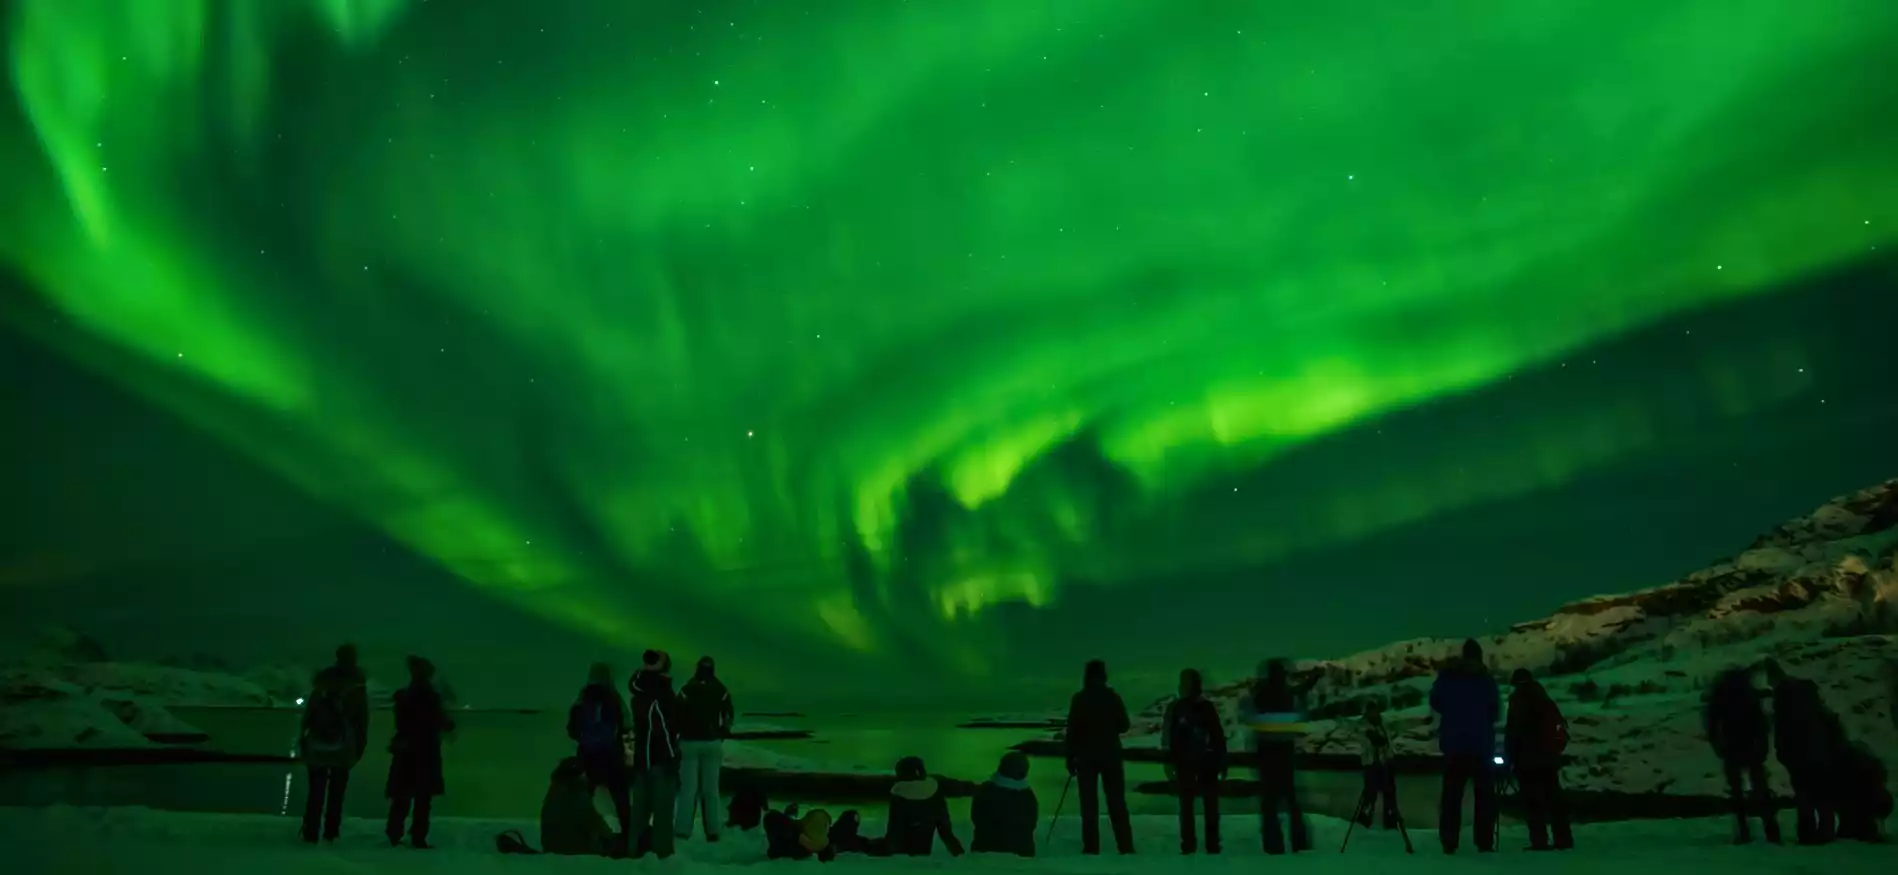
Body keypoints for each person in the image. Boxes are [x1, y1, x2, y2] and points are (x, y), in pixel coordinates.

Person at [1429, 638, 1500, 854]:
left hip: (1454, 745)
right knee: (1484, 796)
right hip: (1481, 746)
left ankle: (1449, 840)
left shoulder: (1447, 677)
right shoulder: (1486, 680)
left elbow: (1435, 701)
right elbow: (1495, 711)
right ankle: (1484, 841)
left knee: (1451, 796)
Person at [298, 643, 370, 843]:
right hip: (344, 746)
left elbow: (308, 716)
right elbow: (362, 720)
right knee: (337, 792)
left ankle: (310, 830)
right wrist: (360, 746)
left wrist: (303, 741)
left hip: (317, 746)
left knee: (315, 791)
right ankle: (331, 831)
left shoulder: (322, 684)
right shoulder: (356, 687)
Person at [1236, 658, 1310, 855]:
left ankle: (1273, 845)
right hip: (1286, 751)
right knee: (1291, 799)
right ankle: (1300, 843)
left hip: (1267, 752)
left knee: (1269, 801)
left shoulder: (1259, 695)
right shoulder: (1288, 695)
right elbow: (1301, 718)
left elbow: (1246, 715)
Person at [1064, 659, 1135, 855]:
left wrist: (1070, 758)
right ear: (1104, 676)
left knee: (1088, 805)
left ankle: (1091, 848)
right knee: (1117, 803)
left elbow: (1072, 732)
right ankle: (1125, 846)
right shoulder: (1112, 698)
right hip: (1111, 755)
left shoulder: (1079, 699)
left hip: (1085, 757)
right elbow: (1124, 725)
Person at [1765, 659, 1837, 844]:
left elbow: (1783, 731)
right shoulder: (1807, 695)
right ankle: (1826, 832)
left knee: (1804, 795)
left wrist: (1782, 752)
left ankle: (1807, 835)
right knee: (1822, 792)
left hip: (1798, 755)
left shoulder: (1783, 700)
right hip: (1820, 750)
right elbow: (1828, 721)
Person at [1705, 667, 1780, 844]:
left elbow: (1712, 723)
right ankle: (1770, 827)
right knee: (1760, 786)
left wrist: (1718, 744)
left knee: (1737, 792)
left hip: (1731, 745)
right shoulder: (1748, 693)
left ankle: (1743, 829)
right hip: (1750, 744)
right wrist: (1762, 746)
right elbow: (1761, 722)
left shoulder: (1721, 695)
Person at [385, 655, 454, 848]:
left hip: (407, 751)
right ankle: (417, 836)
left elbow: (403, 723)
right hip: (425, 752)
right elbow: (441, 721)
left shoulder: (405, 697)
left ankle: (394, 832)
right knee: (422, 798)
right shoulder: (430, 697)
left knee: (402, 796)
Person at [1505, 668, 1573, 851]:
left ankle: (1539, 841)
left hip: (1527, 758)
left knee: (1533, 801)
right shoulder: (1545, 698)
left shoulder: (1518, 700)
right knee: (1554, 798)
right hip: (1549, 757)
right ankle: (1563, 838)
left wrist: (1509, 756)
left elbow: (1513, 731)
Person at [1161, 668, 1227, 855]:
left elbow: (1217, 736)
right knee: (1197, 806)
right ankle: (1201, 844)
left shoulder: (1184, 708)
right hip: (1193, 763)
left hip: (1198, 762)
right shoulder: (1190, 708)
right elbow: (1218, 737)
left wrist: (1221, 760)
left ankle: (1201, 844)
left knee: (1198, 805)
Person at [627, 649, 683, 859]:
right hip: (660, 759)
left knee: (639, 812)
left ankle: (634, 851)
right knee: (663, 813)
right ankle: (662, 856)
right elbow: (663, 729)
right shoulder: (662, 693)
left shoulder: (639, 691)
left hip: (642, 759)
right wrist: (672, 757)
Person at [566, 662, 632, 841]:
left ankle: (574, 830)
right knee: (620, 797)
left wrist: (585, 739)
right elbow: (627, 724)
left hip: (588, 754)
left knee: (583, 794)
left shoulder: (582, 698)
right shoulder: (614, 697)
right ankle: (628, 834)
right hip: (611, 754)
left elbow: (572, 729)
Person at [675, 655, 735, 842]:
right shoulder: (720, 689)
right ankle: (712, 830)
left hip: (688, 742)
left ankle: (683, 831)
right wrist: (722, 732)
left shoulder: (686, 689)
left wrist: (677, 735)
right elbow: (728, 714)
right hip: (712, 742)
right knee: (711, 790)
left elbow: (676, 715)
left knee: (688, 789)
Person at [881, 755, 965, 856]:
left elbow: (894, 830)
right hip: (924, 849)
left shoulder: (899, 794)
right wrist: (958, 852)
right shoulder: (935, 791)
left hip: (900, 852)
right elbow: (946, 832)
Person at [540, 757, 617, 856]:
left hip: (554, 851)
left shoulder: (552, 798)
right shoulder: (579, 798)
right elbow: (600, 827)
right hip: (580, 853)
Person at [971, 751, 1038, 856]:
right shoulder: (1028, 796)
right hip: (1023, 851)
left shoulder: (986, 790)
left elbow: (976, 817)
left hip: (986, 848)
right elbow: (1032, 824)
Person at [1353, 699, 1399, 830]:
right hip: (1371, 763)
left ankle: (1390, 819)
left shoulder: (1384, 723)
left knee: (1390, 792)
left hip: (1387, 762)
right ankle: (1364, 820)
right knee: (1370, 793)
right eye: (1370, 711)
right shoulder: (1363, 726)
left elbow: (1395, 731)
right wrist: (1371, 737)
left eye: (1375, 710)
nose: (1373, 713)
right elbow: (1357, 732)